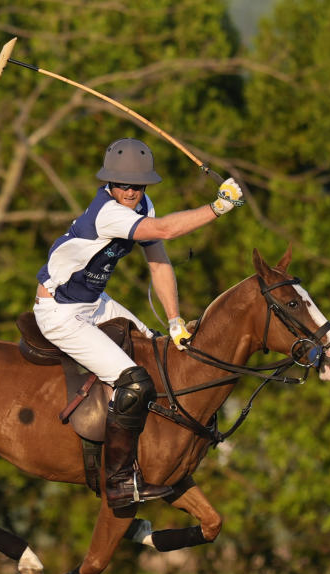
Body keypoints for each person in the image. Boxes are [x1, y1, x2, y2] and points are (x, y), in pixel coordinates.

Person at [34, 138, 243, 508]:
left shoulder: (141, 205)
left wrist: (175, 320)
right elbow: (163, 231)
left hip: (93, 303)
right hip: (60, 312)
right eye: (123, 184)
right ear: (109, 183)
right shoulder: (108, 213)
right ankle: (118, 482)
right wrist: (217, 207)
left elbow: (159, 261)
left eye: (138, 185)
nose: (130, 192)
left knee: (158, 351)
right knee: (133, 380)